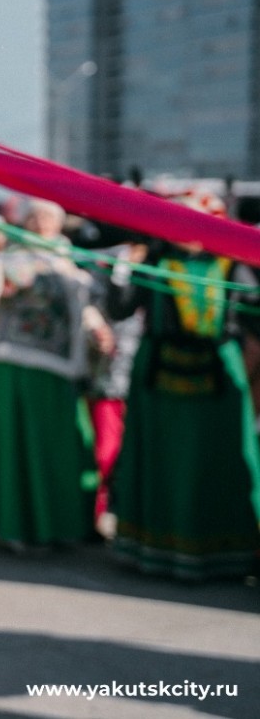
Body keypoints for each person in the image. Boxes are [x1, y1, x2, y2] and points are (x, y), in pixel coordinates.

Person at [106, 191, 260, 580]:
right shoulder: (156, 260)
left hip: (218, 378)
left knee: (219, 460)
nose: (185, 233)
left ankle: (222, 551)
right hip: (159, 376)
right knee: (162, 459)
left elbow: (254, 313)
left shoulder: (230, 265)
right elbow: (119, 308)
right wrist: (123, 267)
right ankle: (155, 548)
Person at [0, 199, 110, 549]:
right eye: (36, 216)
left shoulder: (66, 257)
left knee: (53, 448)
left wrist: (99, 329)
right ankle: (15, 527)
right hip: (13, 364)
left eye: (49, 217)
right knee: (16, 446)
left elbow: (79, 305)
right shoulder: (11, 255)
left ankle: (56, 526)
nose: (42, 223)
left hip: (57, 369)